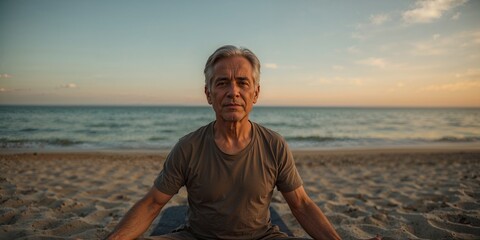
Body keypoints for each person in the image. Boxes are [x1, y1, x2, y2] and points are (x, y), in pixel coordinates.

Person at [107, 45, 342, 240]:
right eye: (222, 83)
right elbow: (152, 204)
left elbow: (301, 204)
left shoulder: (274, 145)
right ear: (208, 93)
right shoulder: (188, 147)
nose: (233, 92)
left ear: (256, 93)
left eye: (242, 83)